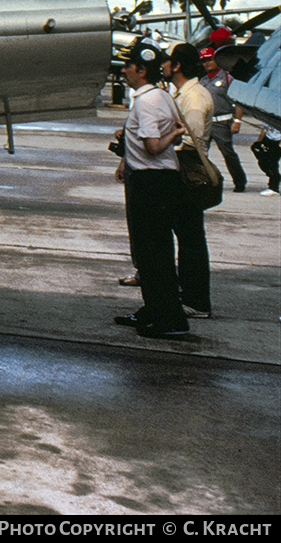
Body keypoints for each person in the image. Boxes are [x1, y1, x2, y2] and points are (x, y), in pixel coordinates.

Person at [112, 41, 190, 338]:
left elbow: (154, 146)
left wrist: (172, 133)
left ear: (141, 70)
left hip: (151, 181)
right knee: (151, 252)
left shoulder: (145, 101)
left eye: (128, 65)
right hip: (155, 179)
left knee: (153, 253)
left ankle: (170, 318)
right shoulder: (161, 96)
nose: (123, 70)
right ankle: (154, 309)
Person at [164, 43, 213, 319]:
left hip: (188, 170)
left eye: (167, 61)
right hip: (181, 168)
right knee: (188, 235)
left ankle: (196, 300)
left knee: (191, 237)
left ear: (178, 65)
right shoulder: (184, 93)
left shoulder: (194, 97)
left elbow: (191, 139)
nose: (163, 65)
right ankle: (190, 294)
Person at [200, 40, 248, 193]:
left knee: (228, 153)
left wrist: (237, 121)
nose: (207, 63)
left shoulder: (228, 78)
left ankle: (240, 181)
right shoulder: (202, 81)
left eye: (210, 59)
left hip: (223, 122)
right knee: (201, 153)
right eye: (204, 61)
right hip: (206, 123)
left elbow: (238, 100)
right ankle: (202, 180)